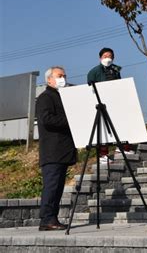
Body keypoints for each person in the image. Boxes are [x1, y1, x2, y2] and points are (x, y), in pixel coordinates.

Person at [36, 66, 77, 231]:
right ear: (49, 79)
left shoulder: (62, 96)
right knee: (52, 186)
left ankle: (52, 218)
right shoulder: (46, 97)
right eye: (59, 75)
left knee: (58, 187)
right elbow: (47, 120)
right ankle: (47, 219)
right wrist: (70, 118)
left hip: (62, 151)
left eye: (65, 75)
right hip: (52, 151)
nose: (63, 78)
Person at [87, 47, 131, 163]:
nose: (108, 58)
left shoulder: (116, 69)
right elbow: (90, 88)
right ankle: (103, 154)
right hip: (101, 103)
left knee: (120, 124)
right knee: (103, 129)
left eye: (110, 56)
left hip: (116, 101)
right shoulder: (94, 71)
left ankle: (122, 147)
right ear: (100, 58)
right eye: (105, 56)